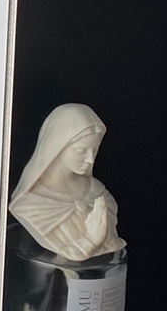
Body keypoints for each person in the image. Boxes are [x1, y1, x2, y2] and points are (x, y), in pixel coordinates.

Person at [9, 104, 125, 260]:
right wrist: (89, 240)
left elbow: (112, 243)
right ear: (57, 147)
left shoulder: (99, 193)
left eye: (95, 149)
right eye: (81, 150)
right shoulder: (30, 205)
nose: (90, 159)